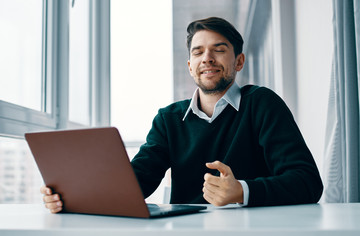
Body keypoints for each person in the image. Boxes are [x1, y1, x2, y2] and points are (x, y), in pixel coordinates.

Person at [41, 17, 323, 213]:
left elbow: (308, 182)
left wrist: (242, 192)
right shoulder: (169, 119)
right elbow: (137, 181)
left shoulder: (262, 104)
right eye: (198, 52)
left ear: (239, 61)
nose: (207, 58)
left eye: (219, 50)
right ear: (190, 66)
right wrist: (73, 196)